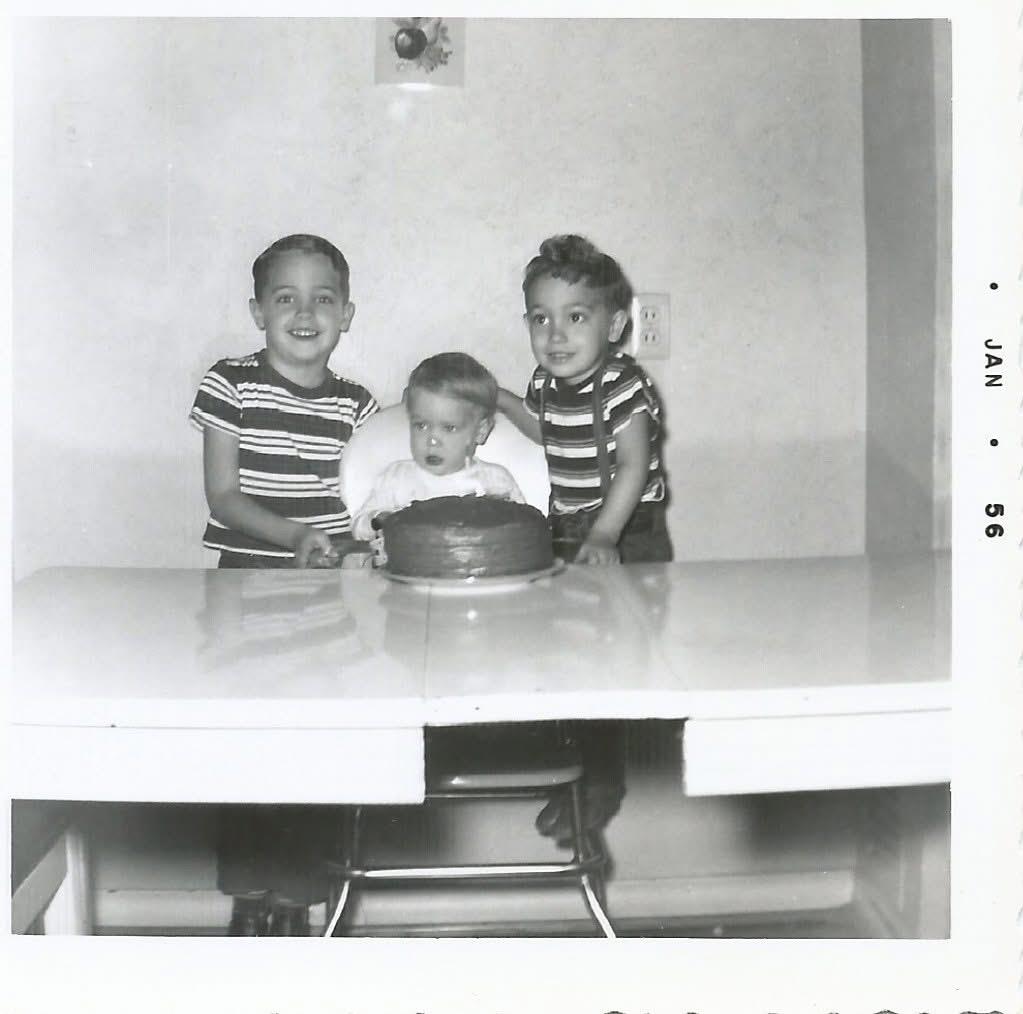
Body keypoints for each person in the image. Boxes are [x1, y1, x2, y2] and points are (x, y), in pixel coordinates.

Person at [189, 233, 378, 934]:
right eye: (285, 297)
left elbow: (364, 504)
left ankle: (299, 903)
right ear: (257, 310)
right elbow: (223, 495)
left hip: (325, 599)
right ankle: (248, 896)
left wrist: (362, 546)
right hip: (244, 589)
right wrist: (294, 537)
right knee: (244, 744)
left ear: (348, 313)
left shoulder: (357, 405)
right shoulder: (229, 382)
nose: (305, 312)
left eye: (323, 298)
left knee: (316, 744)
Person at [497, 233, 674, 844]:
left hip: (627, 534)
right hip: (568, 535)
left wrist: (604, 533)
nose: (557, 334)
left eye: (576, 317)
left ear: (617, 324)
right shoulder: (546, 386)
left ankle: (603, 784)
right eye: (541, 319)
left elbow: (633, 464)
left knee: (614, 662)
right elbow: (539, 428)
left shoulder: (624, 386)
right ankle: (575, 779)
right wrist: (495, 398)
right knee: (568, 658)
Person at [351, 352, 524, 542]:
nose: (432, 440)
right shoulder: (397, 479)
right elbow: (359, 527)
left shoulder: (495, 481)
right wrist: (378, 520)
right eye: (421, 425)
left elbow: (524, 528)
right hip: (409, 568)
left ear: (480, 432)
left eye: (449, 428)